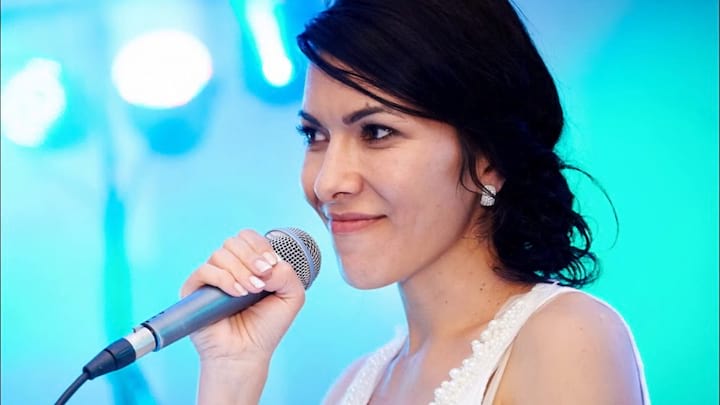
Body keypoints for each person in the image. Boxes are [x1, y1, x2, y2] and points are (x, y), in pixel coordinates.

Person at [180, 0, 650, 403]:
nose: (327, 183)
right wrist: (231, 375)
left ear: (488, 157)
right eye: (314, 135)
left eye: (376, 131)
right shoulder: (352, 387)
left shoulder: (565, 336)